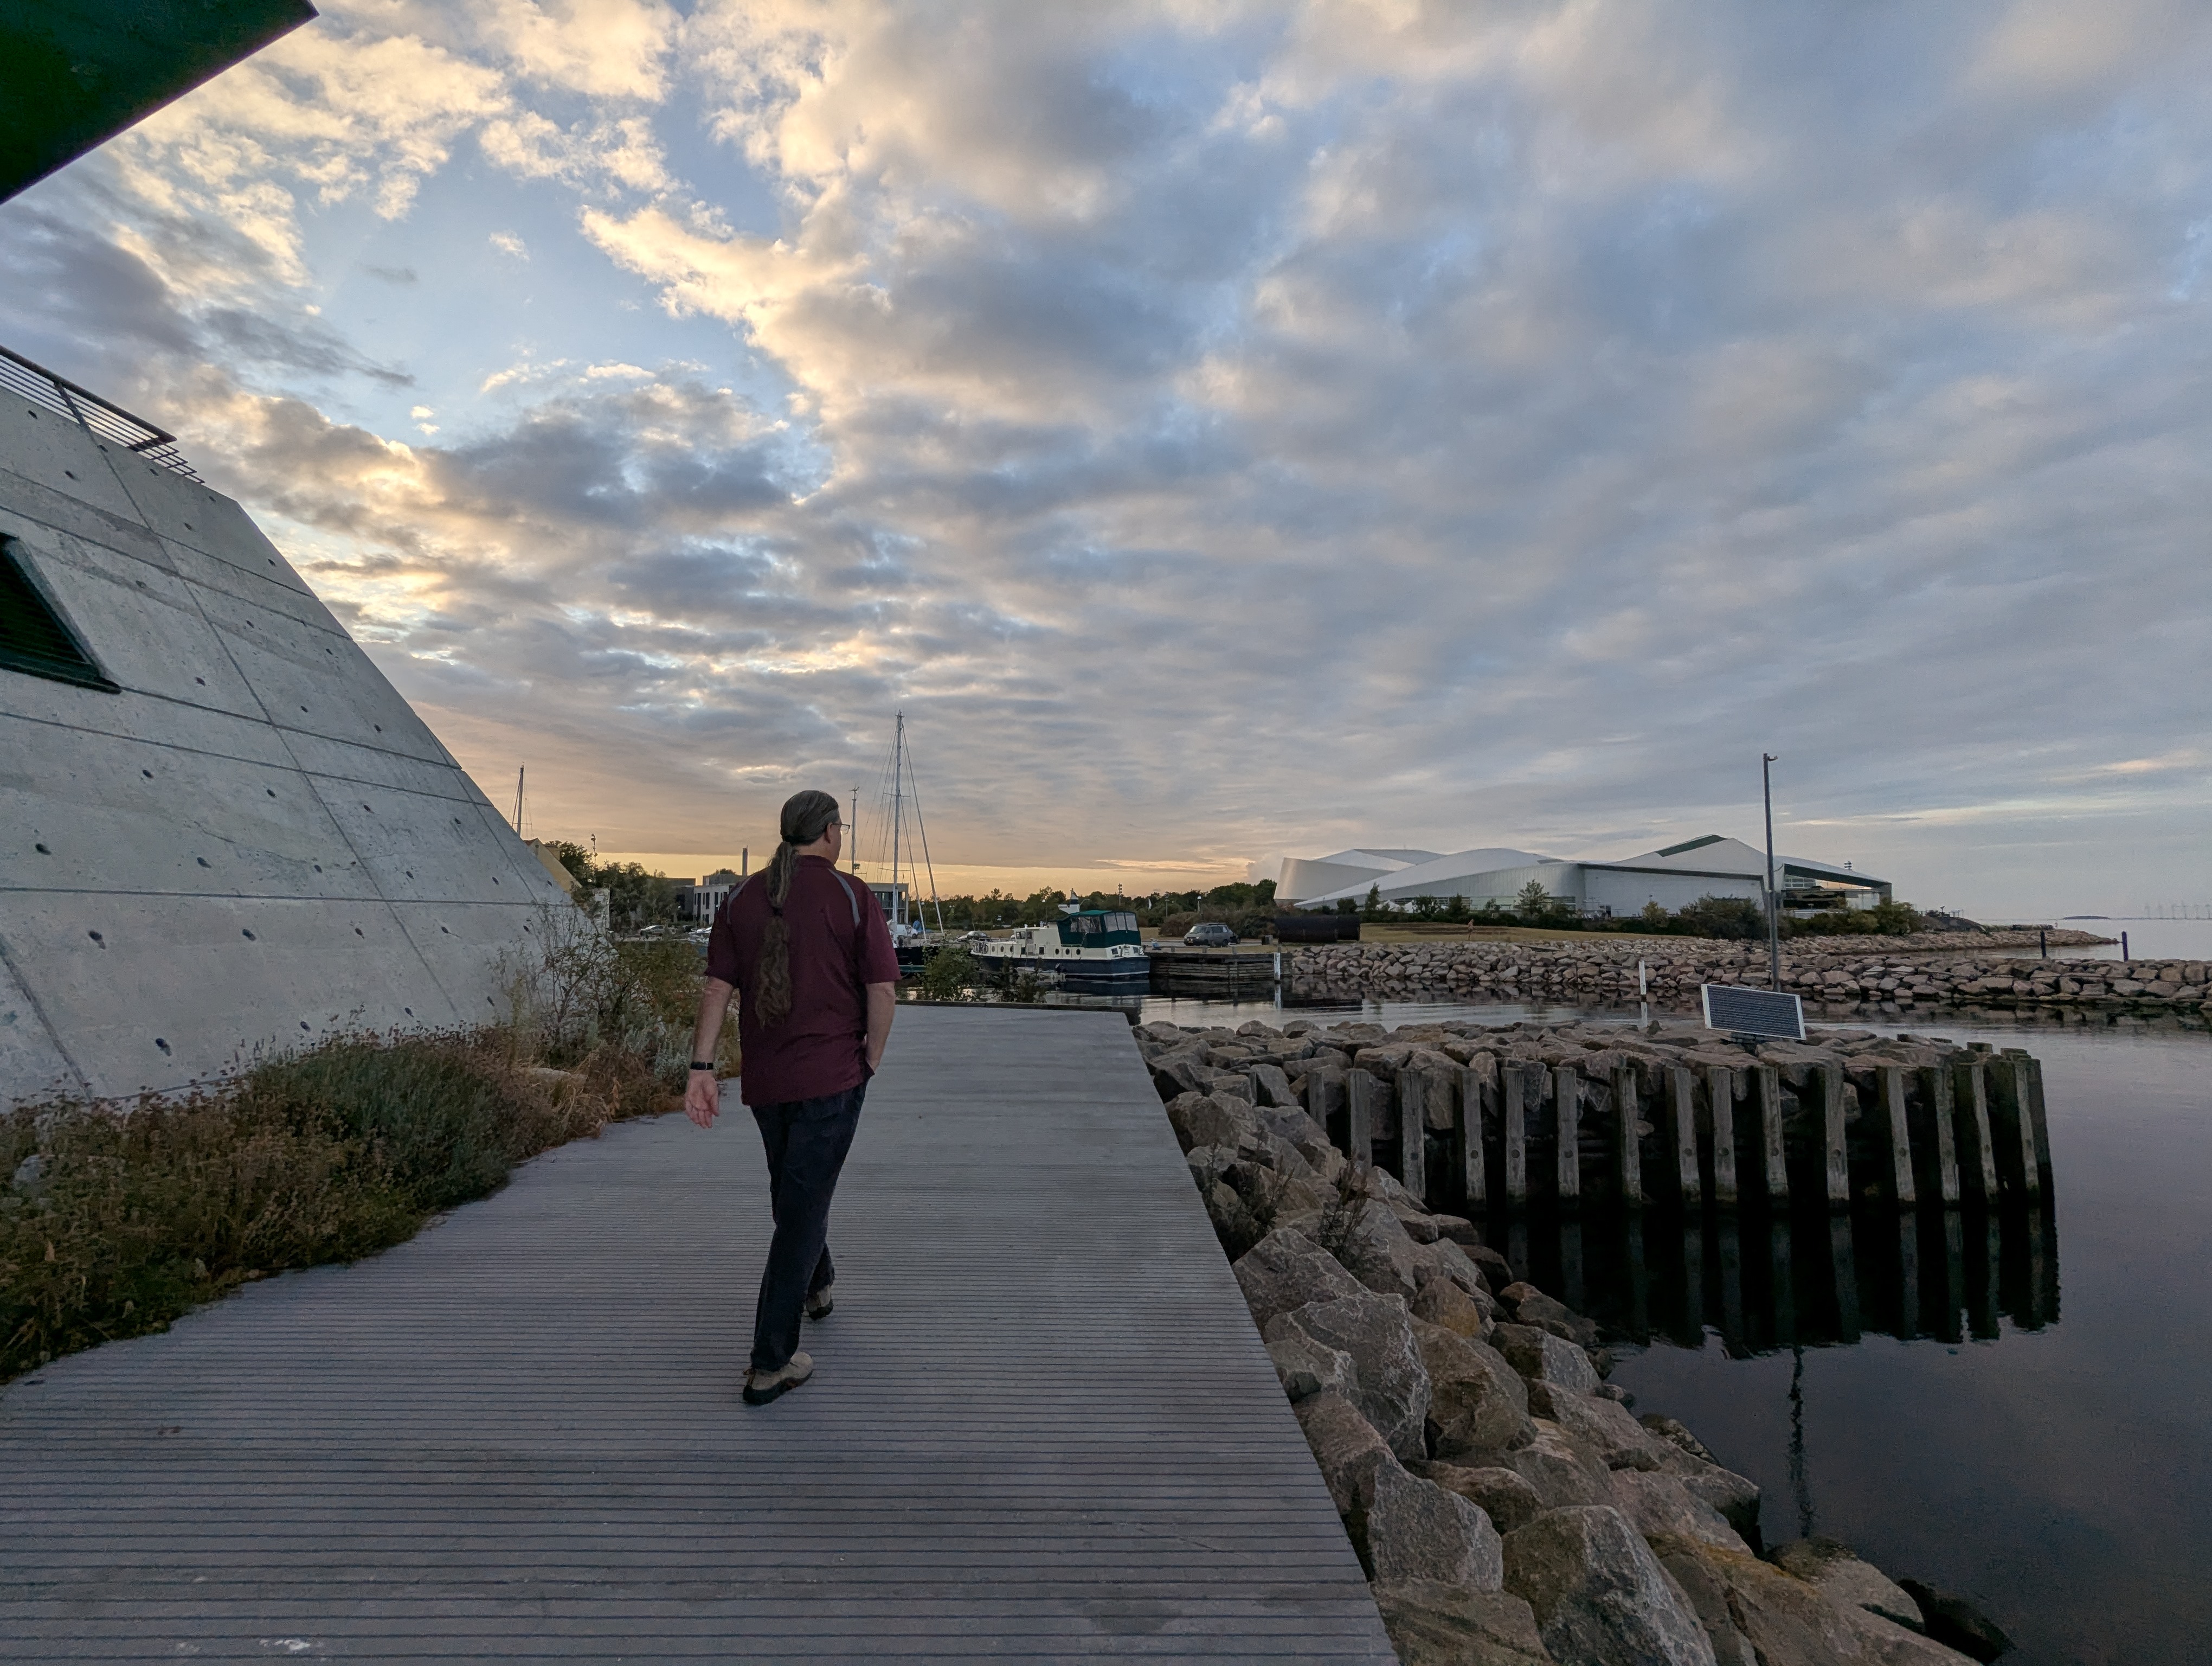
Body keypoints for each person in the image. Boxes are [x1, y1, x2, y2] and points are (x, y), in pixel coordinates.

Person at [684, 789, 899, 1405]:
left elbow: (716, 988)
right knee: (801, 1204)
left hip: (768, 1081)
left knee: (796, 1190)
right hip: (832, 1078)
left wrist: (701, 1066)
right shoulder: (852, 896)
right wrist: (872, 1058)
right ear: (831, 832)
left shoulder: (742, 897)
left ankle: (817, 1284)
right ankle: (771, 1361)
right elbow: (882, 991)